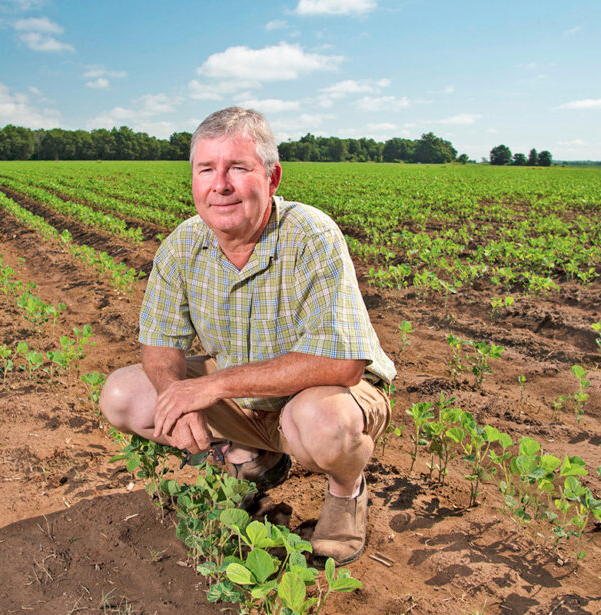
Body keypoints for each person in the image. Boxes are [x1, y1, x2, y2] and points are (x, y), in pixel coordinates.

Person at [99, 106, 396, 566]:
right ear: (193, 179)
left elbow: (342, 363)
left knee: (322, 424)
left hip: (329, 392)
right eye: (206, 169)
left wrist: (210, 387)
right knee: (124, 394)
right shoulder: (182, 245)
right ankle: (247, 461)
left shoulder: (310, 235)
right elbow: (160, 345)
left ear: (272, 178)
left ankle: (346, 492)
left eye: (237, 167)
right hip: (246, 398)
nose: (220, 184)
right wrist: (174, 393)